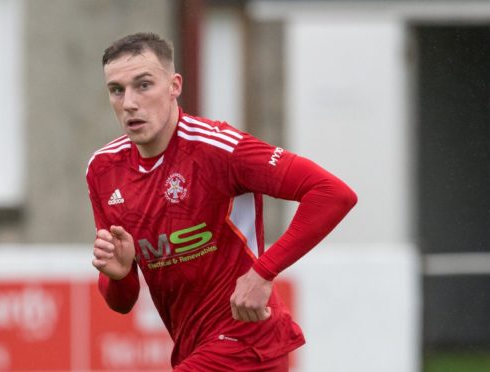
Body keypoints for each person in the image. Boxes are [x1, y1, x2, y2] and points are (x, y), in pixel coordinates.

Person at [86, 32, 357, 372]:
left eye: (143, 85)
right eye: (116, 90)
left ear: (174, 86)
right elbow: (122, 302)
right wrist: (120, 274)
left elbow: (332, 193)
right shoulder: (103, 170)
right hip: (196, 349)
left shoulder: (220, 149)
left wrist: (262, 273)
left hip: (247, 342)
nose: (129, 103)